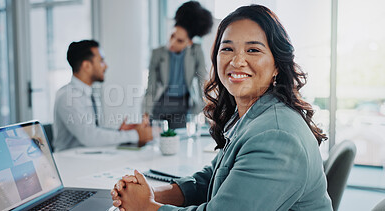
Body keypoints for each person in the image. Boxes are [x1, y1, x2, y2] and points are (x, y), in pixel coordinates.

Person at [110, 4, 333, 211]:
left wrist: (148, 207)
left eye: (253, 50)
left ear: (277, 65)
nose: (236, 61)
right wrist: (152, 194)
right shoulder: (251, 117)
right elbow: (213, 178)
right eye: (227, 49)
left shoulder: (275, 135)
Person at [53, 40, 152, 152]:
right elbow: (90, 137)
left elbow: (94, 131)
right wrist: (135, 135)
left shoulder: (89, 93)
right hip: (69, 162)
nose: (106, 66)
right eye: (101, 61)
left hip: (89, 157)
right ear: (86, 66)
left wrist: (120, 132)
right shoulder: (68, 97)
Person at [142, 1, 213, 129]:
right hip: (161, 103)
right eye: (172, 36)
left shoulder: (196, 52)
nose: (172, 43)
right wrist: (146, 113)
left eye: (180, 40)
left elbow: (202, 82)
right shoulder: (157, 54)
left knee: (179, 141)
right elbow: (151, 86)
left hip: (182, 106)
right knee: (157, 139)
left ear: (189, 42)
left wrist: (208, 111)